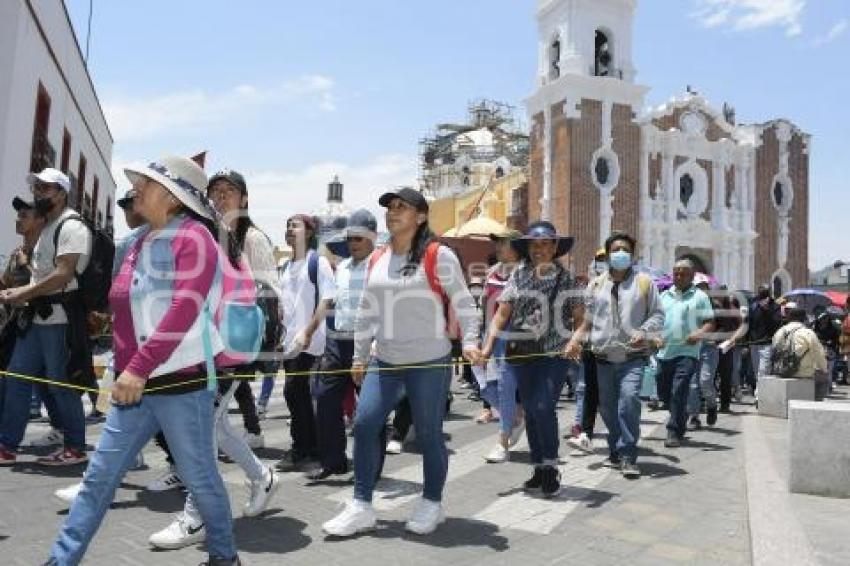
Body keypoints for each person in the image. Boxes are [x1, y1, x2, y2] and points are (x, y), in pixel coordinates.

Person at [44, 155, 241, 565]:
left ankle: (224, 558)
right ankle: (60, 561)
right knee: (98, 478)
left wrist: (137, 367)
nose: (136, 190)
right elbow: (127, 308)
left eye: (146, 185)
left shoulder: (195, 238)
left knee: (200, 480)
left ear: (171, 197)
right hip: (132, 386)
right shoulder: (136, 242)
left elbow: (183, 309)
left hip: (180, 383)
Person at [322, 188, 480, 537]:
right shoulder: (378, 257)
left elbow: (465, 302)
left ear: (421, 216)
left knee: (428, 435)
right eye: (390, 208)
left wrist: (470, 342)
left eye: (401, 207)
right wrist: (361, 356)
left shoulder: (439, 255)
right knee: (364, 425)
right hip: (386, 360)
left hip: (429, 361)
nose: (392, 213)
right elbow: (367, 311)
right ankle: (361, 505)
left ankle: (432, 502)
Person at [145, 168, 283, 551]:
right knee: (216, 427)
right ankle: (261, 476)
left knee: (201, 427)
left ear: (245, 199)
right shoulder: (206, 233)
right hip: (202, 345)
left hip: (230, 348)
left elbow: (269, 293)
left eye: (230, 191)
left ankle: (197, 515)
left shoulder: (251, 238)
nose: (221, 196)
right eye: (215, 191)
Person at [481, 221, 583, 496]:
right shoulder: (518, 276)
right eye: (535, 244)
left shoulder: (566, 278)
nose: (540, 249)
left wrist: (574, 340)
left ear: (555, 248)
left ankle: (550, 466)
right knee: (531, 409)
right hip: (522, 352)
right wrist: (489, 346)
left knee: (543, 406)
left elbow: (582, 320)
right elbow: (502, 313)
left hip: (554, 353)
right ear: (527, 247)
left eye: (546, 244)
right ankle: (538, 467)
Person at [0, 168, 91, 467]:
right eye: (37, 187)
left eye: (46, 188)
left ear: (62, 193)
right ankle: (7, 446)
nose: (38, 192)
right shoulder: (48, 228)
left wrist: (23, 294)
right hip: (38, 319)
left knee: (59, 385)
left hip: (61, 320)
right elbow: (41, 275)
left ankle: (76, 448)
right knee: (16, 377)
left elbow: (63, 274)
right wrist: (18, 292)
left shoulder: (72, 226)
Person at [565, 231, 664, 478]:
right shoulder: (596, 284)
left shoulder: (644, 283)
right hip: (602, 359)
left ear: (632, 255)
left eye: (626, 250)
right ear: (608, 255)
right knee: (608, 409)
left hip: (632, 357)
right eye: (616, 250)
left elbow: (658, 314)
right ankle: (615, 448)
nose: (621, 254)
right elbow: (587, 321)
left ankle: (628, 455)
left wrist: (644, 330)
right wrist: (575, 340)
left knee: (629, 402)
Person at [310, 209, 377, 481]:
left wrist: (375, 344)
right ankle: (333, 461)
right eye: (349, 237)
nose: (352, 243)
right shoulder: (343, 268)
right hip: (337, 344)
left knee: (371, 410)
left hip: (368, 344)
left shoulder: (381, 266)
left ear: (371, 237)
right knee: (325, 400)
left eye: (358, 237)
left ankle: (372, 468)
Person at [275, 214, 335, 472]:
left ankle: (305, 448)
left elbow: (328, 300)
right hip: (291, 344)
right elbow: (285, 306)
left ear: (309, 232)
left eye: (295, 225)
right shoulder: (286, 266)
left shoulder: (318, 262)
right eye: (287, 226)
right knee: (296, 396)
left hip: (311, 343)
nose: (289, 230)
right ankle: (308, 447)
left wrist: (308, 332)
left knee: (296, 393)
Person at [655, 260, 715, 447]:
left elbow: (709, 322)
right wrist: (655, 336)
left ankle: (672, 431)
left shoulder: (700, 297)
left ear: (691, 276)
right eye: (676, 273)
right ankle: (680, 417)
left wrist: (699, 333)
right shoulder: (664, 296)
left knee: (679, 389)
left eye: (683, 274)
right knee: (664, 392)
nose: (679, 277)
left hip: (688, 352)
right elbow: (655, 320)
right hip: (664, 352)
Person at [479, 231, 526, 464]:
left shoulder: (525, 272)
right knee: (485, 388)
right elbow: (485, 307)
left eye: (503, 242)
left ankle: (503, 441)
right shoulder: (491, 272)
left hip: (512, 341)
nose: (498, 246)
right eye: (496, 242)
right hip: (489, 337)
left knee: (505, 389)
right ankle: (517, 416)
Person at [1, 197, 47, 421]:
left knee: (51, 385)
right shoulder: (15, 253)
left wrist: (25, 264)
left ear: (40, 220)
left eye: (24, 215)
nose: (18, 220)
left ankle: (67, 433)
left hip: (41, 325)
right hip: (15, 325)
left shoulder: (47, 251)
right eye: (18, 215)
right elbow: (6, 283)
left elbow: (50, 283)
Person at [568, 248, 608, 453]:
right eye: (599, 259)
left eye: (605, 259)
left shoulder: (614, 286)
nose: (602, 263)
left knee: (602, 393)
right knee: (584, 388)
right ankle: (583, 430)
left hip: (609, 348)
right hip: (585, 345)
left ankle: (616, 436)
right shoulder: (587, 285)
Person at [772, 303, 828, 400]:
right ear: (804, 319)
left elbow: (775, 348)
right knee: (823, 379)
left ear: (789, 318)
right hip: (803, 372)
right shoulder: (807, 333)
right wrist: (824, 369)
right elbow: (819, 354)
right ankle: (815, 404)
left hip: (782, 371)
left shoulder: (780, 331)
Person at [686, 275, 721, 429]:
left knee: (705, 381)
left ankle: (712, 405)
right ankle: (694, 416)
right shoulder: (688, 305)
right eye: (698, 287)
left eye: (703, 287)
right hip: (691, 347)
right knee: (692, 384)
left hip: (709, 347)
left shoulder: (716, 306)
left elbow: (726, 327)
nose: (701, 290)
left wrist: (717, 338)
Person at [747, 285, 782, 389]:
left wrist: (766, 310)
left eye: (765, 291)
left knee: (763, 371)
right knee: (756, 370)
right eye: (760, 290)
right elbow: (749, 324)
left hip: (767, 343)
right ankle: (760, 392)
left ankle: (759, 396)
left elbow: (776, 324)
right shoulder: (753, 305)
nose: (762, 293)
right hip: (754, 344)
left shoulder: (775, 306)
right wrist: (748, 342)